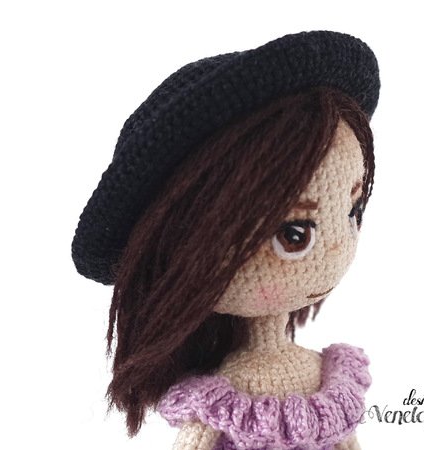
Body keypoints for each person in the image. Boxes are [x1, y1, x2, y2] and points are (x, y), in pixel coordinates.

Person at [72, 31, 380, 450]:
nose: (337, 247)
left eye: (352, 210)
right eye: (294, 234)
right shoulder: (224, 395)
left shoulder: (327, 375)